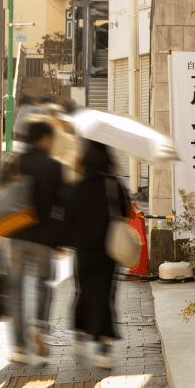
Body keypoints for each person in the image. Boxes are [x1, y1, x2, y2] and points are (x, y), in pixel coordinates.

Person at [3, 119, 68, 364]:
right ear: (45, 139)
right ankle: (38, 327)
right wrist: (62, 240)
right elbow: (62, 206)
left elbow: (1, 197)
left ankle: (19, 348)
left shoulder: (13, 162)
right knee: (44, 284)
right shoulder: (54, 166)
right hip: (44, 238)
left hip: (15, 236)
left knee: (16, 291)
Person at [66, 139, 130, 368]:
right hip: (109, 252)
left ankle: (80, 337)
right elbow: (127, 212)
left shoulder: (79, 186)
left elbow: (69, 217)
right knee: (104, 296)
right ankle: (103, 348)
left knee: (83, 292)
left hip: (83, 251)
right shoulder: (115, 185)